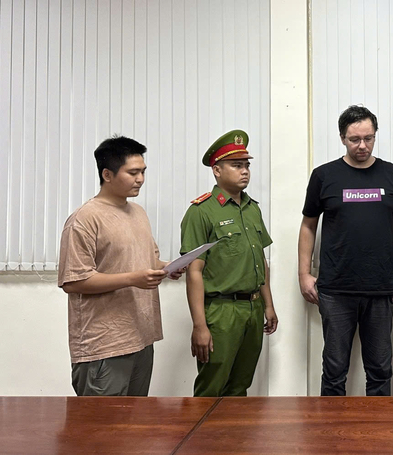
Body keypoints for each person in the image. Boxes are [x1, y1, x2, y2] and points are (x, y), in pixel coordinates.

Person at [298, 105, 393, 396]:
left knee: (380, 370)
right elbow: (308, 226)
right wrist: (304, 273)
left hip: (381, 289)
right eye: (355, 139)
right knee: (334, 369)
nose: (362, 145)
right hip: (335, 289)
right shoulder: (324, 176)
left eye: (369, 138)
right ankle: (332, 437)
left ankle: (378, 437)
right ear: (342, 138)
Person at [58, 136, 182, 396]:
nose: (140, 179)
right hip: (104, 345)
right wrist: (133, 279)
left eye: (143, 172)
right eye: (133, 172)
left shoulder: (138, 212)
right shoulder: (85, 218)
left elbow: (145, 261)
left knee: (133, 429)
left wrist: (168, 267)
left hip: (141, 337)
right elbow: (73, 281)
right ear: (107, 174)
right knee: (102, 431)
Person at [180, 129, 278, 397]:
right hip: (222, 312)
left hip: (253, 308)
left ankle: (233, 439)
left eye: (246, 165)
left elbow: (261, 262)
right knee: (212, 386)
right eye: (236, 165)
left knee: (240, 386)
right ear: (217, 170)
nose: (244, 171)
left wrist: (268, 305)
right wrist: (199, 325)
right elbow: (194, 271)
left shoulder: (252, 208)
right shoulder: (201, 211)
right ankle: (202, 440)